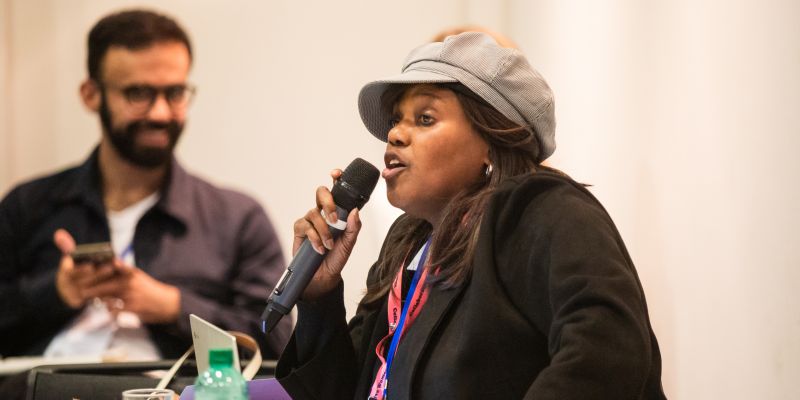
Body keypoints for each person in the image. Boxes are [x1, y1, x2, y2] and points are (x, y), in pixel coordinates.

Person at [274, 32, 667, 399]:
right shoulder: (407, 241)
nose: (394, 135)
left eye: (425, 118)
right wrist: (318, 296)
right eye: (396, 119)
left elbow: (610, 352)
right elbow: (350, 388)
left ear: (490, 141)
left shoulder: (543, 211)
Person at [0, 9, 291, 363]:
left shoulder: (237, 219)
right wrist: (57, 292)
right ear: (91, 94)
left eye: (175, 93)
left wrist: (173, 307)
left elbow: (276, 344)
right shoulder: (27, 206)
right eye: (138, 93)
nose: (160, 113)